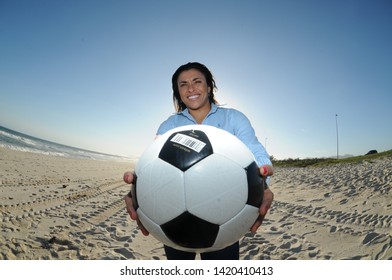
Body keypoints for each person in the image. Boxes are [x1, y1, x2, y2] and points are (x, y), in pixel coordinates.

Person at [123, 62, 274, 260]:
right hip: (172, 215)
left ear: (209, 86)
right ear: (178, 92)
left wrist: (263, 181)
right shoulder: (169, 125)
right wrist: (136, 190)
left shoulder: (234, 118)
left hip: (224, 212)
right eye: (183, 84)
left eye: (197, 81)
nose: (191, 88)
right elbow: (153, 165)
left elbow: (255, 152)